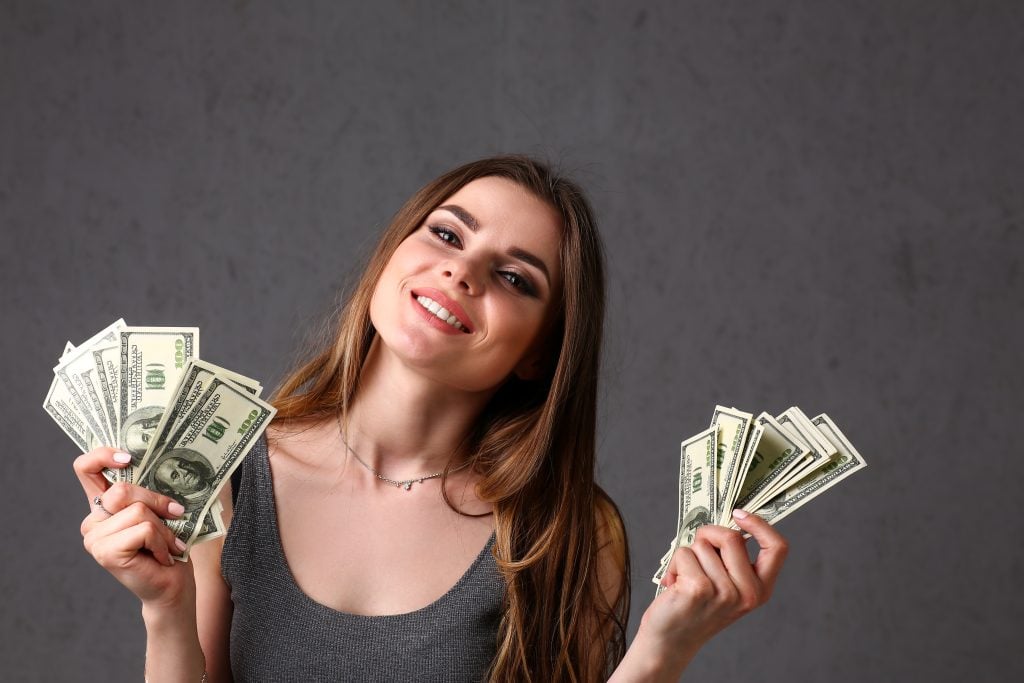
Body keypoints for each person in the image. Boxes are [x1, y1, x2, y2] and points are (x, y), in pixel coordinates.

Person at [75, 155, 788, 682]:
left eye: (516, 278)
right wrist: (165, 607)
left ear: (540, 353)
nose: (462, 272)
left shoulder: (564, 532)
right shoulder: (228, 476)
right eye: (448, 235)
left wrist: (662, 652)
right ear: (394, 254)